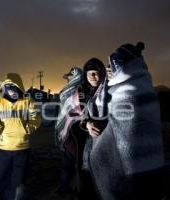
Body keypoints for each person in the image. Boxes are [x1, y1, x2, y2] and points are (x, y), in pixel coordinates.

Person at [86, 42, 165, 200]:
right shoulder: (142, 87)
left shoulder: (126, 91)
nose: (108, 69)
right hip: (149, 166)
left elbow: (109, 115)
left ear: (124, 66)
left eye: (112, 65)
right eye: (107, 66)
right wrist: (87, 122)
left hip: (127, 170)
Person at [55, 58, 106, 198]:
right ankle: (69, 189)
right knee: (76, 164)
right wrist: (87, 123)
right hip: (74, 134)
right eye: (91, 74)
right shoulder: (80, 91)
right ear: (85, 75)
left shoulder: (106, 88)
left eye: (97, 73)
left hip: (99, 134)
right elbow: (72, 114)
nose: (95, 77)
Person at [0, 73, 41, 200]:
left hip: (22, 147)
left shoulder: (28, 101)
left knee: (18, 176)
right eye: (8, 89)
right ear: (4, 88)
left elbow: (36, 118)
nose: (12, 92)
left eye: (14, 89)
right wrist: (0, 131)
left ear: (19, 88)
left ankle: (15, 197)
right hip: (3, 147)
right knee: (0, 174)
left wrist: (27, 129)